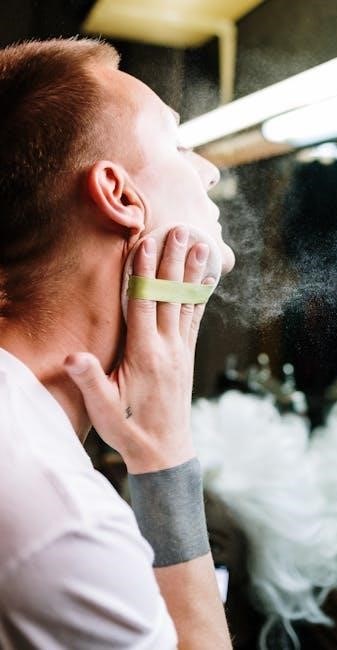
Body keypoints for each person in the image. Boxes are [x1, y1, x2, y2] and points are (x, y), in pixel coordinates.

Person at [0, 37, 234, 649]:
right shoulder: (62, 522)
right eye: (177, 144)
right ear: (121, 196)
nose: (209, 171)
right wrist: (166, 454)